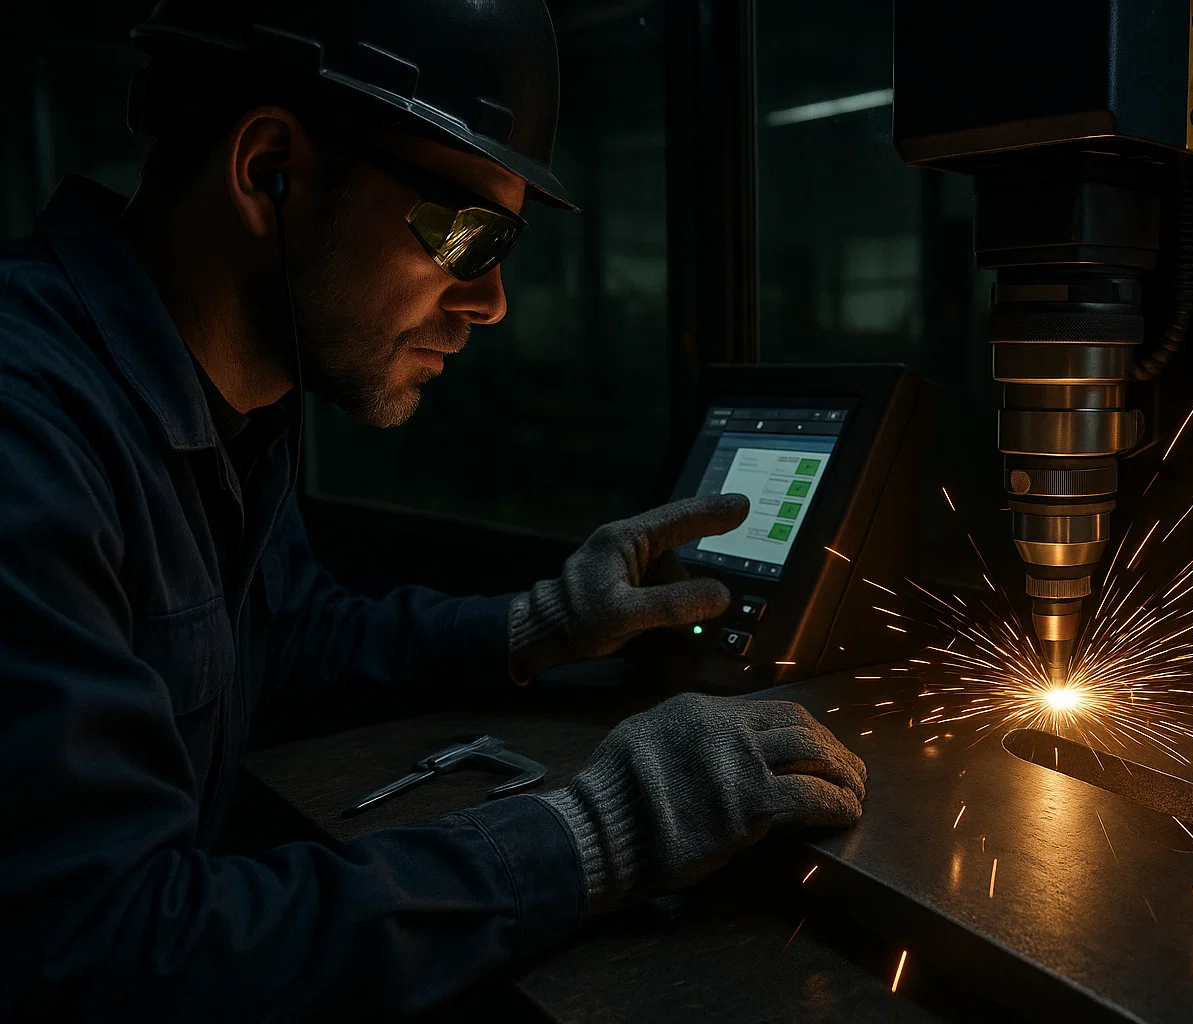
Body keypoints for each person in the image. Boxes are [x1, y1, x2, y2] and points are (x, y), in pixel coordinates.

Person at [0, 0, 866, 1017]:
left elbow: (281, 638)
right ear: (268, 170)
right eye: (465, 232)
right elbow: (107, 953)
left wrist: (536, 624)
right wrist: (588, 834)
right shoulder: (31, 437)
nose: (490, 299)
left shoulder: (232, 406)